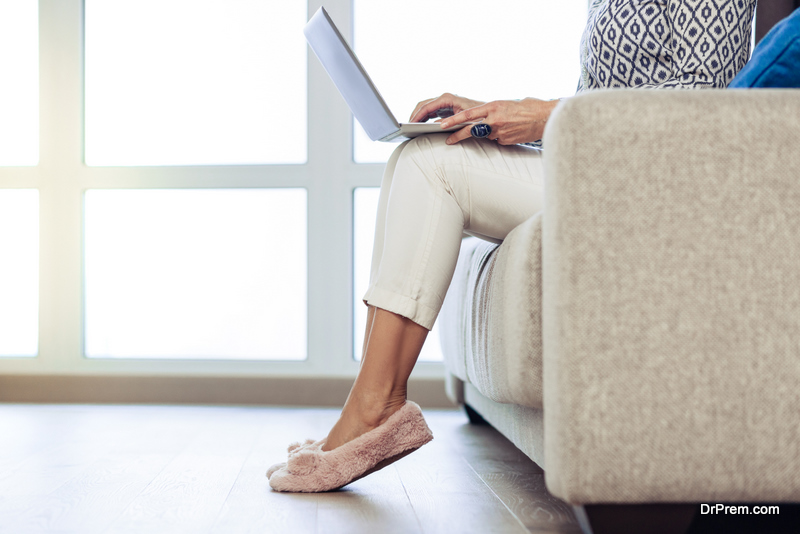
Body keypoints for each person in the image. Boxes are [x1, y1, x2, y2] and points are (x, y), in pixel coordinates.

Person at [268, 0, 757, 492]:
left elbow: (706, 98)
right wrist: (494, 121)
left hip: (652, 181)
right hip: (596, 158)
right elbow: (599, 105)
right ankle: (368, 403)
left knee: (431, 167)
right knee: (414, 155)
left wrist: (544, 116)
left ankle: (375, 410)